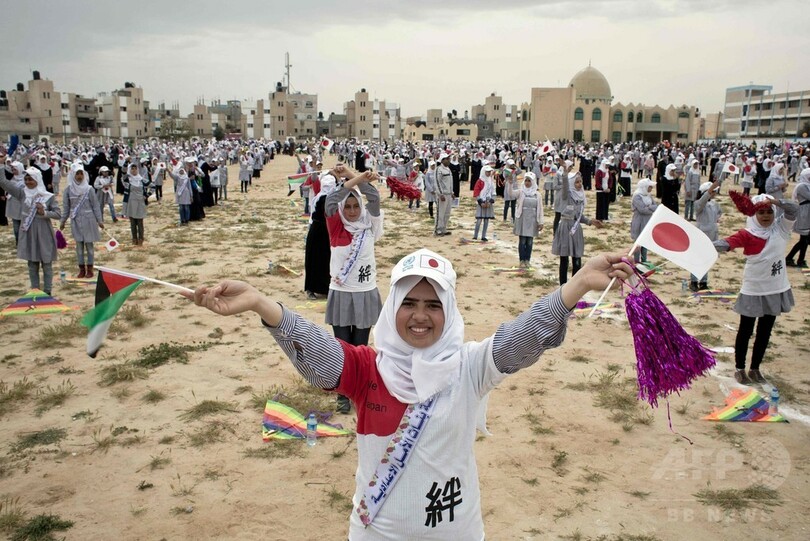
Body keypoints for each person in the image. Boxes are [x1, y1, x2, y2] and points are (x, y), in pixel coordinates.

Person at [182, 247, 633, 540]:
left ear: (450, 310)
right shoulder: (366, 367)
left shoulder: (470, 365)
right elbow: (316, 356)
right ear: (392, 307)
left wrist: (576, 287)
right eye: (409, 304)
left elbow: (525, 336)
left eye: (434, 304)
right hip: (376, 532)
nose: (420, 317)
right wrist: (263, 305)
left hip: (455, 530)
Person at [714, 192, 799, 384]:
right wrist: (705, 245)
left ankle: (755, 368)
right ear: (753, 214)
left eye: (769, 211)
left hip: (775, 288)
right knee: (746, 330)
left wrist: (775, 201)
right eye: (760, 212)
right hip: (753, 289)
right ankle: (740, 368)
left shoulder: (781, 229)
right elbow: (726, 243)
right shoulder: (747, 234)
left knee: (765, 331)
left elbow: (794, 209)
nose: (766, 215)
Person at [325, 165, 384, 414]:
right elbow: (331, 199)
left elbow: (374, 197)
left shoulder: (370, 225)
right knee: (342, 347)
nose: (351, 210)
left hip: (364, 293)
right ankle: (342, 395)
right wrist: (356, 177)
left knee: (360, 348)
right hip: (341, 294)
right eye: (347, 207)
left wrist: (351, 174)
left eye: (355, 206)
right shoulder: (335, 226)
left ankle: (359, 390)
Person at [0, 165, 61, 295]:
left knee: (46, 263)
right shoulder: (22, 193)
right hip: (28, 231)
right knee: (32, 263)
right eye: (26, 179)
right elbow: (3, 183)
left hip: (44, 231)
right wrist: (1, 165)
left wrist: (44, 212)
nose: (27, 182)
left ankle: (47, 291)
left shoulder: (48, 196)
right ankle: (35, 291)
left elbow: (58, 214)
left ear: (37, 179)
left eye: (30, 179)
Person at [552, 170, 603, 284]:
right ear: (571, 184)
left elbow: (580, 217)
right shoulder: (567, 196)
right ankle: (563, 286)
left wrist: (591, 221)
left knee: (577, 259)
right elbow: (565, 188)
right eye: (576, 182)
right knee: (564, 259)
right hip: (565, 229)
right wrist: (565, 173)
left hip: (576, 230)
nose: (579, 184)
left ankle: (574, 286)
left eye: (580, 182)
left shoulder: (581, 198)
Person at [59, 164, 104, 278]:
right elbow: (66, 207)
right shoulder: (68, 190)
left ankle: (90, 268)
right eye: (77, 174)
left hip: (89, 220)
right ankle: (81, 269)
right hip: (76, 220)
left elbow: (95, 206)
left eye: (81, 173)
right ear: (73, 175)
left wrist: (99, 220)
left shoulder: (89, 189)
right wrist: (63, 221)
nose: (79, 176)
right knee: (79, 248)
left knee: (89, 246)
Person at [304, 172, 335, 300]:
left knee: (328, 260)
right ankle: (311, 288)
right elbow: (312, 216)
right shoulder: (318, 198)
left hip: (328, 231)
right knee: (314, 260)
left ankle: (325, 288)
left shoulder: (334, 199)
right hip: (318, 231)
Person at [691, 180, 722, 291]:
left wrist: (716, 220)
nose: (714, 193)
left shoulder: (714, 204)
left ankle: (703, 282)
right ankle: (694, 281)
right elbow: (702, 202)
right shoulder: (698, 204)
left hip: (712, 233)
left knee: (707, 258)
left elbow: (719, 212)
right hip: (701, 233)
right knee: (697, 258)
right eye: (711, 192)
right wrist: (710, 190)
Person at [514, 172, 544, 267]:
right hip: (522, 219)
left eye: (529, 181)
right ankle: (522, 260)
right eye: (526, 180)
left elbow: (540, 208)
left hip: (532, 220)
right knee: (522, 240)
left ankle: (527, 260)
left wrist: (541, 222)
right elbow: (510, 193)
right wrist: (510, 182)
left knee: (530, 241)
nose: (527, 183)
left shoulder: (537, 194)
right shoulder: (521, 192)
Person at [785, 167, 810, 268]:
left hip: (808, 213)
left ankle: (795, 259)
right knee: (804, 239)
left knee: (805, 240)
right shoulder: (802, 186)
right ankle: (795, 259)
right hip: (804, 213)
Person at [629, 178, 658, 264]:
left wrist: (649, 207)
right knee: (638, 242)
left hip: (648, 220)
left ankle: (644, 260)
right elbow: (642, 209)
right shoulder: (637, 196)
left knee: (645, 242)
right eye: (649, 187)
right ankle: (637, 261)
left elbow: (655, 206)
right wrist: (650, 208)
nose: (651, 189)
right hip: (639, 221)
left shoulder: (648, 195)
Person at [122, 163, 151, 246]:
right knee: (132, 222)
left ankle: (141, 238)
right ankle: (134, 239)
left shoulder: (142, 180)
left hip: (140, 202)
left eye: (135, 169)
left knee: (140, 222)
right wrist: (126, 162)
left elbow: (152, 186)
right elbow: (123, 172)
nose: (134, 170)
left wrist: (146, 195)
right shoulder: (128, 179)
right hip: (131, 202)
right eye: (132, 169)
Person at [472, 164, 496, 241]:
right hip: (481, 201)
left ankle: (483, 236)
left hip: (488, 202)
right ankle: (475, 235)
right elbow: (476, 192)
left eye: (489, 172)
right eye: (487, 172)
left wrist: (491, 202)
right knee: (479, 220)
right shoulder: (480, 181)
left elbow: (493, 192)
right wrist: (480, 202)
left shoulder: (491, 181)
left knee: (486, 220)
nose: (489, 173)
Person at [434, 154, 453, 236]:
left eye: (449, 159)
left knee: (447, 213)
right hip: (442, 194)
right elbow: (437, 182)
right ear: (442, 160)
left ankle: (444, 229)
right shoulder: (439, 169)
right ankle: (438, 229)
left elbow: (450, 183)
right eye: (447, 159)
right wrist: (440, 194)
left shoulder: (448, 169)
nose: (448, 160)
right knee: (440, 213)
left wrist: (452, 192)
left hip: (449, 194)